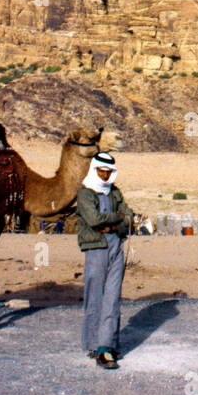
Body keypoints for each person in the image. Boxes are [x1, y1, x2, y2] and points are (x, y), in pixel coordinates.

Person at [76, 151, 134, 369]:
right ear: (94, 169)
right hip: (96, 247)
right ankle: (94, 344)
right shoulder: (85, 194)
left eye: (109, 172)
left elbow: (128, 218)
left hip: (116, 246)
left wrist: (112, 224)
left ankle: (106, 346)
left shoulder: (114, 192)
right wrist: (116, 219)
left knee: (112, 297)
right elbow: (92, 220)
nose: (105, 175)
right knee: (95, 296)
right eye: (101, 170)